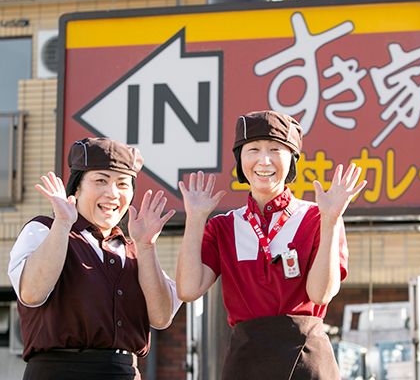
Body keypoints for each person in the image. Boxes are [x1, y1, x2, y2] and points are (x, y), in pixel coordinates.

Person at [176, 110, 367, 379]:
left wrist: (332, 220)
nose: (263, 160)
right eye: (252, 149)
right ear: (240, 159)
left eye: (276, 149)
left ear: (292, 160)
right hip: (246, 361)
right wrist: (195, 219)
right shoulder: (224, 226)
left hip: (306, 359)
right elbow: (187, 289)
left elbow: (320, 294)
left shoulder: (317, 216)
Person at [8, 137, 181, 380]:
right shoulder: (44, 229)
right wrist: (62, 224)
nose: (112, 193)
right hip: (59, 372)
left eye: (123, 184)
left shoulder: (135, 248)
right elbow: (31, 293)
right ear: (76, 188)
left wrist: (146, 247)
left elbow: (161, 318)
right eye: (100, 180)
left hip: (125, 372)